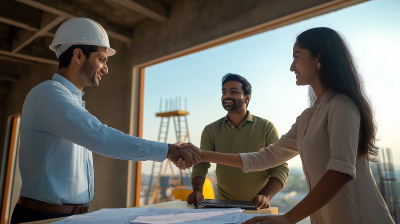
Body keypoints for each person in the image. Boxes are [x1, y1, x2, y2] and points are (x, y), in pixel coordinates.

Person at [179, 27, 394, 224]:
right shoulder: (308, 117)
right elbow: (265, 157)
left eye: (297, 57)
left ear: (319, 57)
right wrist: (201, 155)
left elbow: (341, 172)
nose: (292, 66)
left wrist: (289, 218)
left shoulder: (342, 105)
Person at [11, 17, 199, 224]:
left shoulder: (70, 101)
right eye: (101, 59)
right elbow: (102, 137)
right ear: (78, 55)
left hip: (70, 216)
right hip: (44, 217)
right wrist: (168, 150)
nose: (105, 69)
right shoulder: (48, 95)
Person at [188, 73, 289, 209]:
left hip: (257, 208)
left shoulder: (266, 128)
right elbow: (201, 163)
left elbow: (280, 167)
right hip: (222, 208)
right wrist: (197, 190)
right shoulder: (210, 130)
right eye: (224, 92)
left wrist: (264, 196)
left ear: (247, 98)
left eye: (233, 91)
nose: (227, 95)